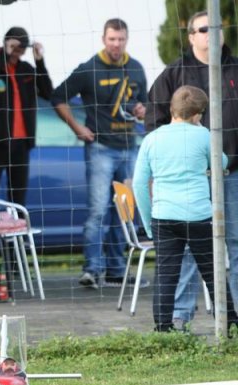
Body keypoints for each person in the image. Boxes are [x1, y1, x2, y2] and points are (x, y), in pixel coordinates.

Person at [145, 10, 238, 331]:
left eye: (216, 27)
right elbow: (154, 122)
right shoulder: (174, 74)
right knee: (184, 252)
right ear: (191, 36)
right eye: (203, 29)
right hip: (190, 182)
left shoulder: (235, 69)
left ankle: (232, 317)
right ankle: (180, 316)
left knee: (235, 244)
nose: (211, 33)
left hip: (232, 175)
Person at [51, 18, 147, 288]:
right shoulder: (88, 69)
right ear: (103, 39)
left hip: (129, 149)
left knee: (125, 212)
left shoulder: (136, 68)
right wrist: (76, 127)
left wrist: (142, 110)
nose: (116, 44)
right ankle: (92, 270)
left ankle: (116, 270)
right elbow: (57, 97)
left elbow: (146, 105)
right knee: (97, 211)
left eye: (121, 39)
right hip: (100, 150)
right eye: (112, 39)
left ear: (127, 40)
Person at [133, 85, 238, 332]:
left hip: (163, 217)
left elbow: (139, 183)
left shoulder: (151, 138)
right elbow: (222, 162)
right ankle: (230, 325)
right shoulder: (204, 136)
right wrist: (203, 132)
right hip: (198, 216)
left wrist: (149, 222)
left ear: (171, 109)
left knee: (166, 276)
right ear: (198, 114)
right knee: (213, 273)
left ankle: (163, 328)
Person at [0, 26, 53, 207]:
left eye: (23, 46)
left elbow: (48, 93)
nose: (19, 50)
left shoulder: (26, 69)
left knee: (18, 197)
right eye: (15, 46)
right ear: (6, 43)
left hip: (21, 144)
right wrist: (4, 55)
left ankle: (17, 225)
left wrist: (40, 62)